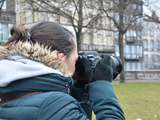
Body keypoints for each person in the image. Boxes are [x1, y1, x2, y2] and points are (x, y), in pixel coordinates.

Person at [0, 21, 125, 120]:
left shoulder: (7, 91)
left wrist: (79, 89)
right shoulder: (54, 105)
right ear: (60, 57)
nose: (77, 63)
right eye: (76, 58)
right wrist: (102, 84)